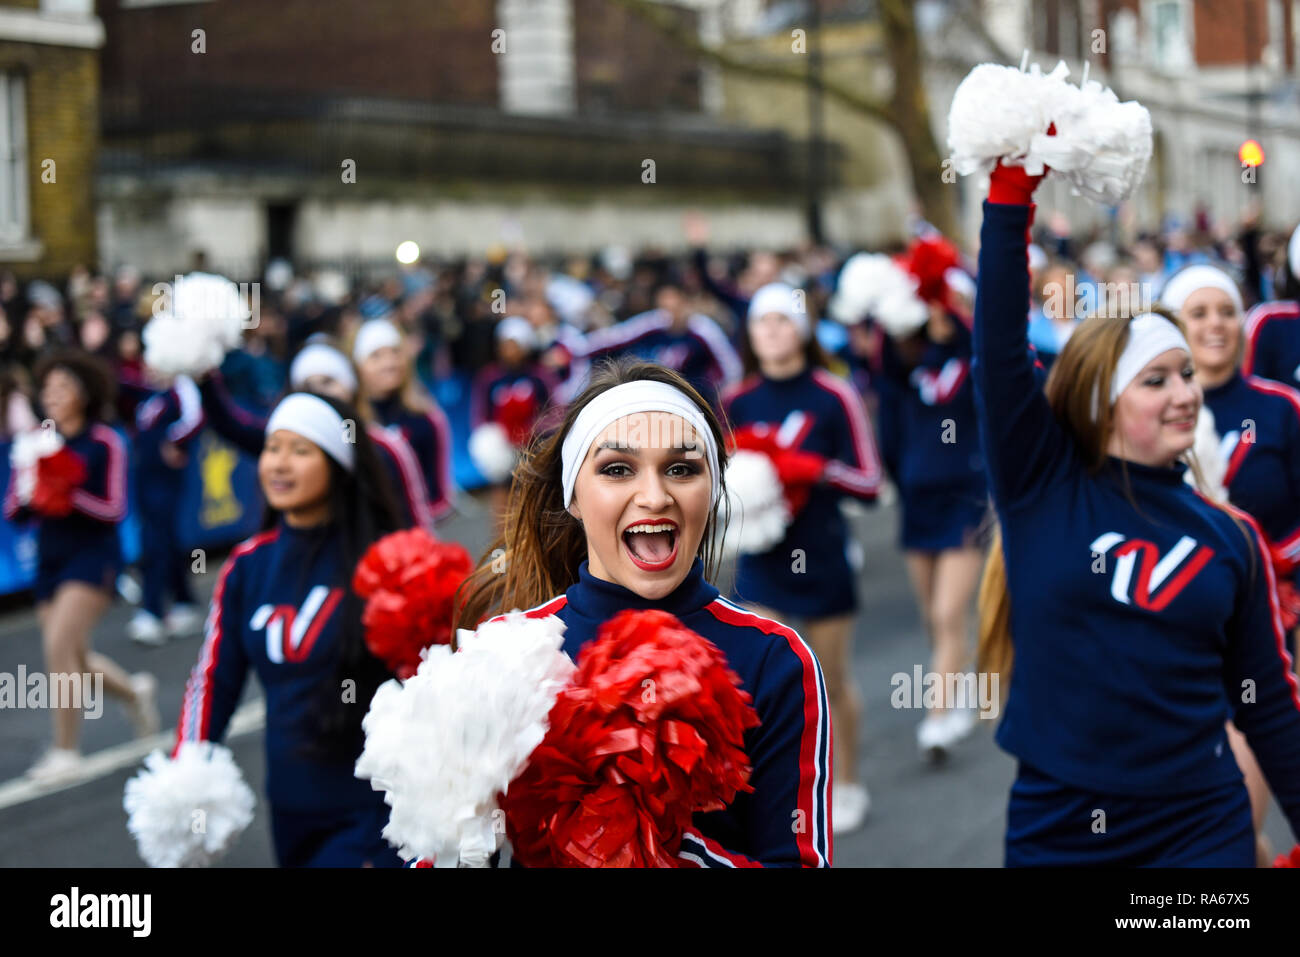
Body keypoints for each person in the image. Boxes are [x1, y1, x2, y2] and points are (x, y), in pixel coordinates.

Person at [974, 161, 1300, 866]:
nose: (1184, 392)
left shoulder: (1229, 535)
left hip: (1201, 827)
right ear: (1103, 400)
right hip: (1060, 821)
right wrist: (1009, 197)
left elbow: (1268, 707)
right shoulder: (1043, 486)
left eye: (1186, 373)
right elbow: (999, 350)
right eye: (1156, 380)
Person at [456, 357, 831, 867]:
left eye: (682, 469)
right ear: (573, 496)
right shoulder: (507, 647)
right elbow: (450, 844)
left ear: (714, 487)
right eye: (617, 469)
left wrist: (650, 842)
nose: (654, 496)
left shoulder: (776, 659)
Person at [175, 392, 405, 867]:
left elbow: (430, 679)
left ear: (337, 464)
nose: (280, 463)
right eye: (273, 448)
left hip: (375, 807)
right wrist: (188, 770)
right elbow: (214, 679)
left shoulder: (387, 561)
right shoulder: (246, 565)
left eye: (301, 450)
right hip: (289, 806)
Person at [721, 282, 882, 835]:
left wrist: (811, 470)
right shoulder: (736, 401)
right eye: (761, 322)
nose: (772, 331)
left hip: (823, 557)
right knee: (766, 686)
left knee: (830, 680)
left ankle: (847, 784)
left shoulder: (833, 394)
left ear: (803, 330)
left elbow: (869, 481)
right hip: (761, 561)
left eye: (783, 321)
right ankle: (780, 798)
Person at [1162, 263, 1300, 865]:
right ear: (1172, 325)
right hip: (1177, 645)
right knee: (1203, 832)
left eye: (1225, 310)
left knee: (1236, 816)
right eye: (1198, 313)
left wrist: (1257, 553)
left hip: (1268, 636)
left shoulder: (1280, 408)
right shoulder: (1150, 415)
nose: (1215, 324)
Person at [5, 350, 159, 784]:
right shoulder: (37, 439)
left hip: (93, 556)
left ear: (85, 393)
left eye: (63, 388)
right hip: (50, 556)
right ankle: (134, 692)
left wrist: (67, 490)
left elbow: (113, 507)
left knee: (58, 649)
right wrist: (32, 492)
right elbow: (15, 508)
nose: (53, 396)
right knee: (72, 654)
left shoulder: (106, 440)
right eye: (48, 388)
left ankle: (66, 751)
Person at [876, 303, 989, 761]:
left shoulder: (974, 361)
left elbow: (982, 338)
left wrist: (953, 315)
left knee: (947, 613)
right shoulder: (910, 365)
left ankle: (937, 719)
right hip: (918, 503)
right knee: (932, 616)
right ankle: (961, 682)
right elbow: (882, 361)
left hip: (965, 502)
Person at [199, 338, 437, 531]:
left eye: (328, 382)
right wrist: (204, 375)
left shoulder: (385, 448)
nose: (319, 393)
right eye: (307, 385)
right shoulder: (284, 444)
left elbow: (415, 524)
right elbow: (231, 426)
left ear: (350, 387)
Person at [122, 372, 206, 645]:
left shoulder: (181, 386)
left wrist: (174, 441)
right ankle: (183, 601)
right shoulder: (149, 393)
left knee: (156, 540)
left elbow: (196, 419)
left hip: (166, 478)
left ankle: (152, 610)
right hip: (145, 476)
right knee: (163, 539)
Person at [351, 318, 455, 522]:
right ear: (359, 366)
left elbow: (439, 493)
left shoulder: (427, 417)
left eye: (395, 352)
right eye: (376, 356)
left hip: (417, 536)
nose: (389, 363)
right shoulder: (351, 424)